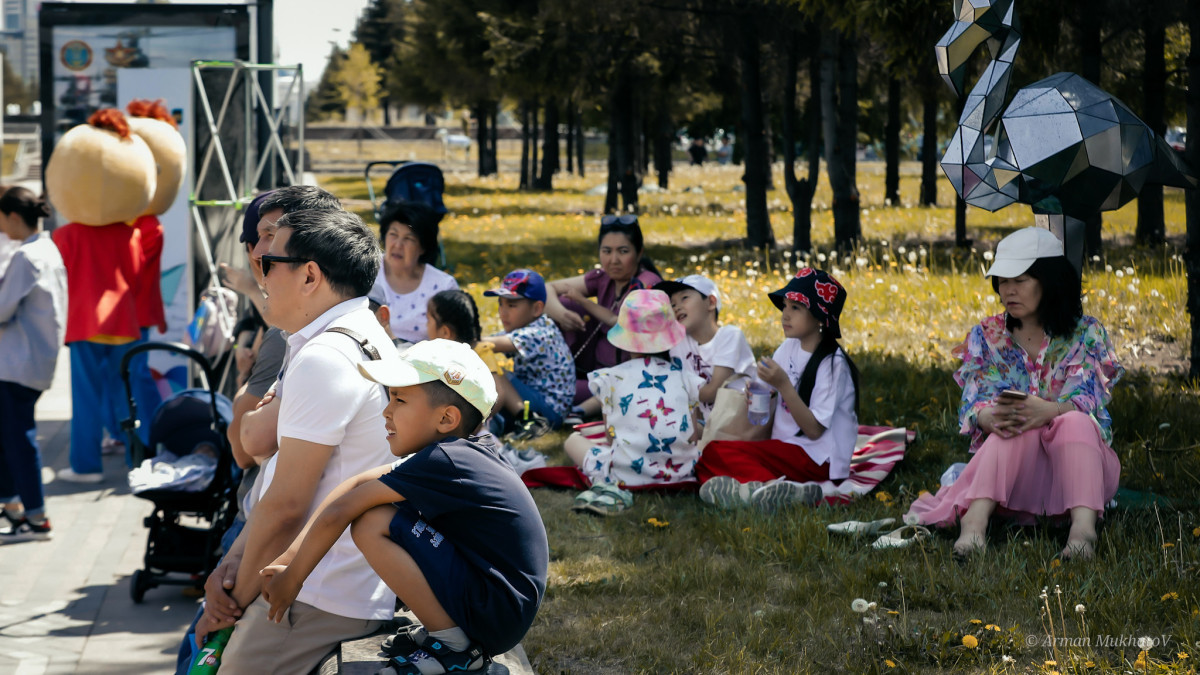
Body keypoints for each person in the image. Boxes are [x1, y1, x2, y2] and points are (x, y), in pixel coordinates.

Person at [260, 339, 549, 672]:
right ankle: (449, 634)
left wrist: (293, 579)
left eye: (399, 399)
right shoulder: (461, 451)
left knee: (373, 521)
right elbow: (355, 483)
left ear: (446, 418)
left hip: (495, 611)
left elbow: (346, 508)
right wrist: (286, 559)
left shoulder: (446, 459)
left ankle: (454, 647)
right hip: (498, 608)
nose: (386, 410)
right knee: (386, 512)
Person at [193, 209, 397, 674]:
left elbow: (287, 507)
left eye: (269, 262)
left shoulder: (327, 356)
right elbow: (278, 479)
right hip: (319, 581)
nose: (259, 268)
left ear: (309, 276)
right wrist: (235, 562)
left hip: (312, 593)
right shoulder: (346, 335)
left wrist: (231, 602)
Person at [175, 186, 344, 674]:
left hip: (292, 566)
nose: (261, 253)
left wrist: (232, 595)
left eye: (274, 240)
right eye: (259, 239)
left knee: (200, 652)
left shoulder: (313, 348)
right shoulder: (298, 335)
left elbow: (251, 453)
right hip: (263, 536)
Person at [905, 227, 1123, 560]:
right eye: (1003, 281)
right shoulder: (987, 335)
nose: (1008, 290)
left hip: (1079, 472)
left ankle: (1083, 535)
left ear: (1049, 281)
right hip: (1012, 476)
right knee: (1014, 423)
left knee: (1075, 422)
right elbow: (975, 398)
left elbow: (1088, 400)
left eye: (1020, 280)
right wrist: (986, 416)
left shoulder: (1085, 334)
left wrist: (1048, 411)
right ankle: (974, 528)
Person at [696, 268, 860, 511]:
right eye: (785, 306)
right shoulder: (788, 347)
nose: (785, 315)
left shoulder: (833, 364)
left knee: (719, 454)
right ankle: (760, 491)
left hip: (819, 458)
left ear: (819, 317)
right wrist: (758, 391)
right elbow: (769, 391)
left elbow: (814, 431)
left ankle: (771, 486)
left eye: (796, 308)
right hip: (785, 448)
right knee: (709, 455)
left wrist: (783, 384)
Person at [563, 290, 703, 505]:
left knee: (572, 441)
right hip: (679, 473)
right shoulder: (687, 377)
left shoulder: (611, 378)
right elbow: (693, 434)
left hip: (624, 475)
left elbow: (611, 438)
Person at [0, 188, 67, 541]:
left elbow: (1, 308)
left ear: (12, 216)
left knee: (18, 438)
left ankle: (37, 517)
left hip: (16, 363)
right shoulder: (47, 248)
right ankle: (12, 506)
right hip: (32, 361)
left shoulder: (26, 256)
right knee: (9, 437)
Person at [544, 215, 663, 404]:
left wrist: (584, 302)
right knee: (566, 304)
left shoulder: (648, 285)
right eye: (606, 251)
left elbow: (623, 324)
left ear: (639, 253)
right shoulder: (603, 278)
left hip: (630, 376)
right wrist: (563, 315)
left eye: (623, 251)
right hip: (594, 367)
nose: (613, 260)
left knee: (553, 390)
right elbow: (547, 288)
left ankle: (559, 390)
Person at [480, 269, 574, 436]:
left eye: (512, 305)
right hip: (536, 400)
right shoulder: (526, 327)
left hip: (549, 411)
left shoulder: (539, 333)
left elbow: (485, 343)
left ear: (537, 309)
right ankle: (499, 423)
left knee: (494, 370)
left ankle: (528, 420)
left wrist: (454, 337)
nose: (503, 312)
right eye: (500, 304)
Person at [655, 274, 755, 423]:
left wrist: (678, 390)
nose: (676, 307)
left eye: (684, 298)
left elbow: (713, 392)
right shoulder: (680, 343)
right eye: (673, 304)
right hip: (710, 425)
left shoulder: (730, 336)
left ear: (711, 302)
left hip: (743, 422)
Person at [374, 200, 458, 344]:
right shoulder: (365, 272)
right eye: (393, 234)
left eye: (409, 238)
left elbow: (455, 340)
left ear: (423, 247)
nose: (398, 245)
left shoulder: (443, 287)